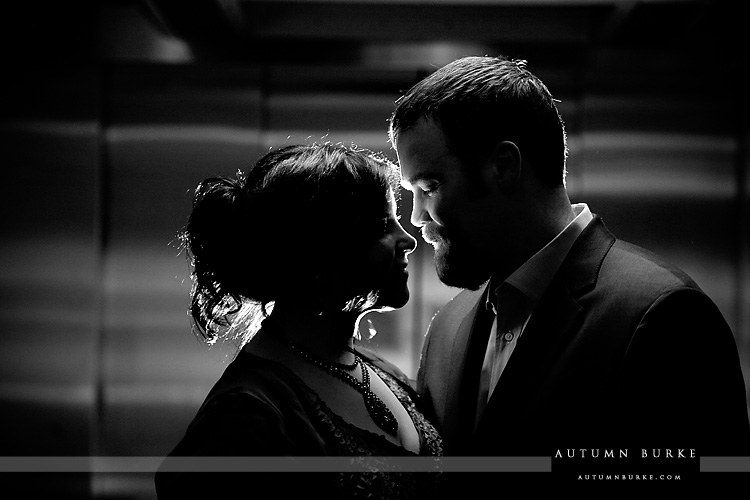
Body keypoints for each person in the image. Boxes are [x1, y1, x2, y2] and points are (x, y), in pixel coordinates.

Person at [388, 55, 750, 483]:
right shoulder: (449, 327)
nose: (416, 217)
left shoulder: (662, 317)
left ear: (503, 167)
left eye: (429, 186)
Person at [154, 143, 442, 499]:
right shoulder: (246, 416)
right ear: (321, 253)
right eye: (384, 225)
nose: (409, 240)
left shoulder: (379, 371)